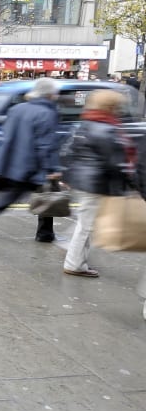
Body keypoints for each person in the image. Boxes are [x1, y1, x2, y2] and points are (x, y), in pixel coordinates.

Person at [62, 89, 136, 278]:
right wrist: (130, 184)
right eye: (117, 106)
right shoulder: (106, 128)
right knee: (86, 226)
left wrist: (67, 175)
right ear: (111, 107)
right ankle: (74, 264)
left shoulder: (86, 123)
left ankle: (75, 258)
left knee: (86, 222)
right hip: (96, 182)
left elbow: (69, 151)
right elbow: (115, 162)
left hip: (83, 180)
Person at [0, 78, 62, 241]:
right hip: (35, 163)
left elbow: (7, 132)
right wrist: (52, 169)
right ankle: (45, 234)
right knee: (47, 195)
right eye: (55, 93)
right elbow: (45, 144)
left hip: (17, 160)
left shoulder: (17, 108)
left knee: (16, 192)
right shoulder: (47, 113)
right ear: (50, 94)